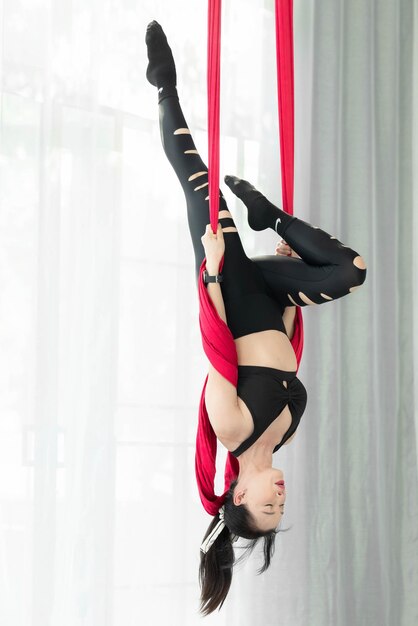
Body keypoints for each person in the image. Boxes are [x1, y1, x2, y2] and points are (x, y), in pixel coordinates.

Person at [145, 20, 367, 615]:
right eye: (282, 507)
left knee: (198, 181)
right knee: (351, 272)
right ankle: (271, 216)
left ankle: (163, 85)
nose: (280, 497)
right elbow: (285, 354)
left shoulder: (232, 428)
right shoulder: (286, 430)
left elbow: (217, 344)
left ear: (239, 490)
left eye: (267, 505)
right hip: (272, 298)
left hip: (232, 288)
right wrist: (294, 293)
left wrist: (214, 269)